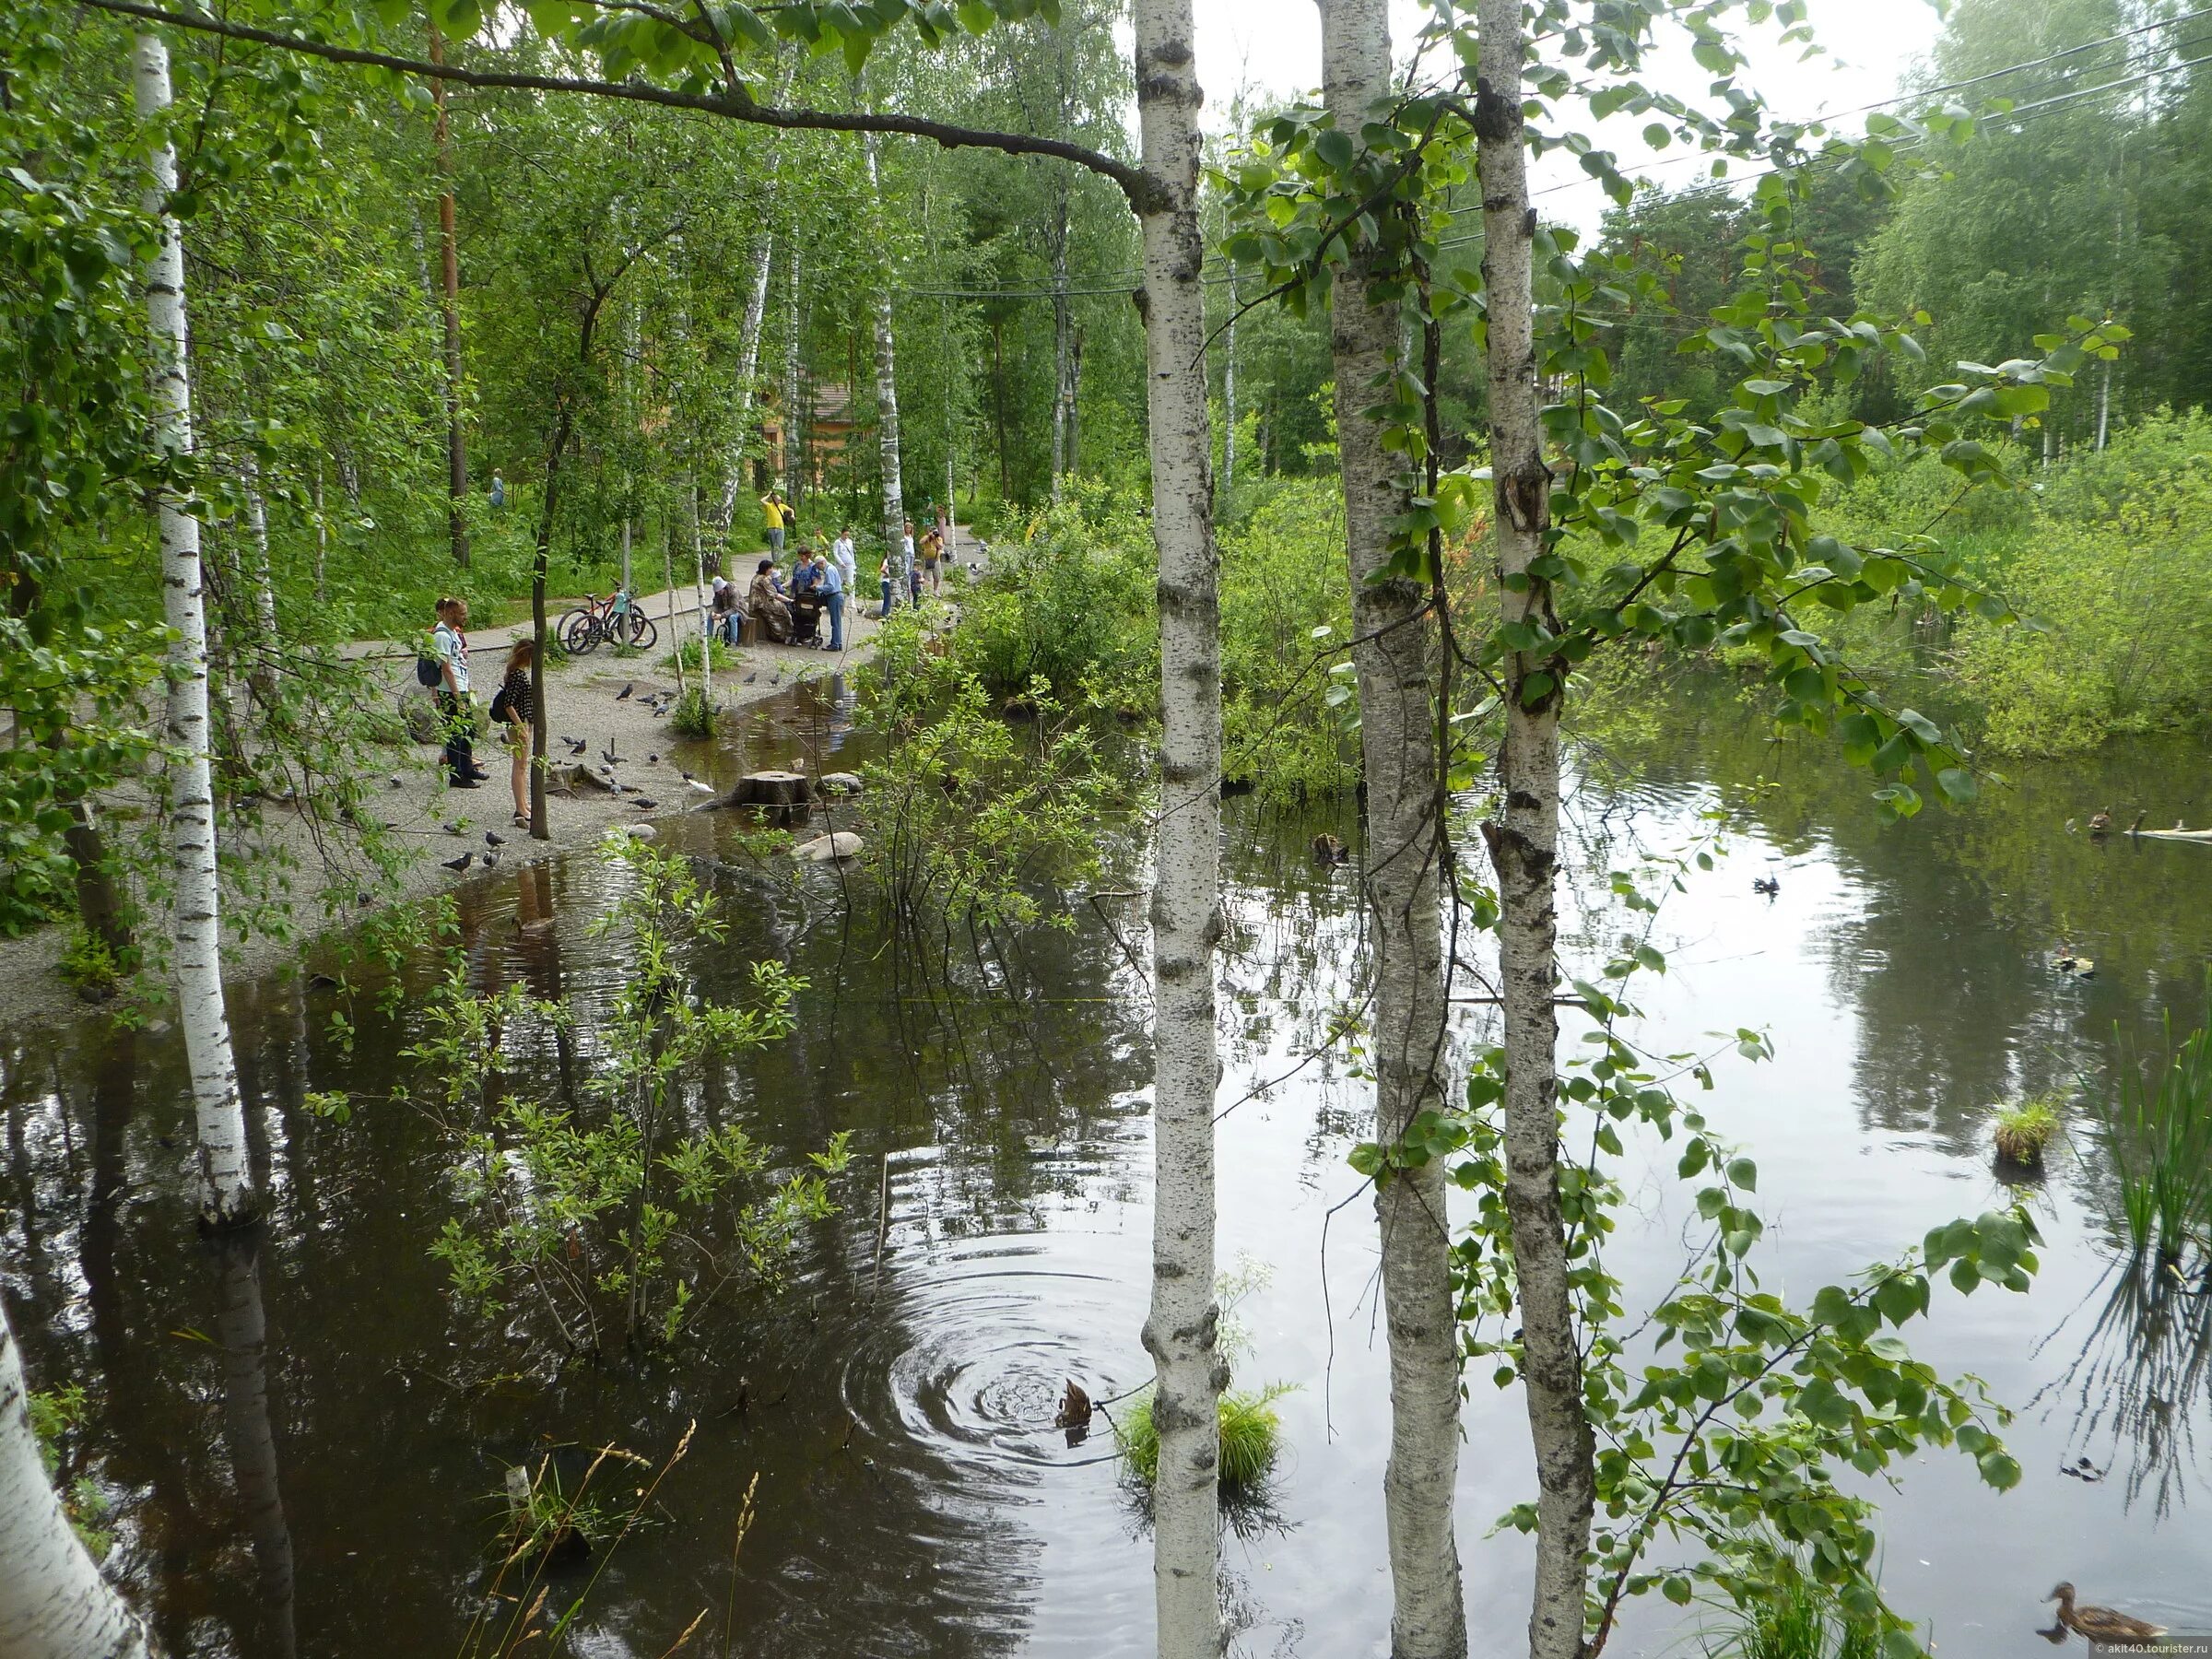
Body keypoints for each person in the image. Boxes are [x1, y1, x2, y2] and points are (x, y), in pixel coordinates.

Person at [431, 597, 487, 789]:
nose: (466, 617)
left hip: (461, 687)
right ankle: (457, 776)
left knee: (468, 729)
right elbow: (446, 668)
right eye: (462, 614)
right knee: (455, 734)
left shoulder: (453, 633)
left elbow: (459, 661)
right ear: (450, 613)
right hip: (451, 692)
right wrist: (457, 696)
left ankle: (467, 766)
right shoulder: (442, 636)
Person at [494, 637, 535, 827]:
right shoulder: (517, 675)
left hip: (523, 721)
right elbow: (508, 703)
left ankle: (524, 803)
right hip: (518, 723)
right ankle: (520, 806)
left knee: (522, 765)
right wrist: (521, 726)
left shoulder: (514, 673)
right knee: (519, 766)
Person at [748, 558, 792, 643]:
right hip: (762, 604)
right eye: (771, 568)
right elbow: (775, 594)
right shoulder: (764, 579)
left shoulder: (756, 577)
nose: (772, 570)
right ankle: (784, 634)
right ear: (766, 569)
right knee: (784, 611)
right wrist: (789, 600)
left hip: (755, 603)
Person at [818, 545, 845, 651]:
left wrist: (818, 588)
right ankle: (838, 643)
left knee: (835, 622)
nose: (818, 569)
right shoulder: (831, 568)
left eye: (818, 566)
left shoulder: (829, 570)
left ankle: (835, 644)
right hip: (836, 596)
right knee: (837, 621)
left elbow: (830, 586)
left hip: (834, 596)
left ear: (822, 563)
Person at [711, 575, 739, 644]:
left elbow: (735, 608)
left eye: (719, 591)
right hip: (725, 608)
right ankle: (708, 636)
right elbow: (715, 603)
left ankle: (733, 641)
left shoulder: (734, 591)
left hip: (738, 610)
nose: (718, 593)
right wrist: (713, 611)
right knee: (710, 616)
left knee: (732, 618)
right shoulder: (718, 593)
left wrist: (721, 615)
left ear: (724, 587)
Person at [832, 526, 857, 602]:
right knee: (839, 581)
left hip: (849, 564)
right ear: (841, 534)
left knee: (851, 582)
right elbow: (835, 553)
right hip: (840, 565)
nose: (846, 537)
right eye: (845, 535)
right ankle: (838, 598)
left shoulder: (850, 541)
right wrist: (841, 562)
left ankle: (852, 601)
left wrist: (853, 564)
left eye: (847, 535)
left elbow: (852, 553)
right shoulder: (837, 542)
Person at [760, 488, 785, 555]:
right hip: (771, 528)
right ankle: (775, 561)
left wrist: (792, 515)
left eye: (780, 500)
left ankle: (779, 561)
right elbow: (762, 500)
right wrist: (769, 495)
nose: (779, 502)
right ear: (774, 499)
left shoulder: (782, 506)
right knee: (773, 546)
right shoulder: (769, 506)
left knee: (780, 546)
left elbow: (791, 510)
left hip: (780, 528)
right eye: (778, 500)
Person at [900, 519, 920, 606]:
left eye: (910, 528)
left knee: (911, 570)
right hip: (907, 554)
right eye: (907, 528)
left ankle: (910, 582)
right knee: (907, 569)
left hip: (912, 554)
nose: (908, 529)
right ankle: (907, 584)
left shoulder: (910, 537)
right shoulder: (904, 537)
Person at [921, 526, 944, 594]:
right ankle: (924, 591)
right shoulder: (927, 537)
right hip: (928, 560)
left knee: (937, 577)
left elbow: (940, 546)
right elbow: (921, 542)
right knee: (926, 577)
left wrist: (935, 539)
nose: (935, 533)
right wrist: (929, 535)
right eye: (934, 532)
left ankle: (935, 591)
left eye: (936, 532)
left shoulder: (939, 538)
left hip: (936, 560)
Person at [878, 552, 894, 619]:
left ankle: (885, 617)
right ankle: (884, 618)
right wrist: (888, 574)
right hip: (886, 582)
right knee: (887, 602)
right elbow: (882, 569)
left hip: (885, 582)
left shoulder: (888, 560)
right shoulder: (887, 560)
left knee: (887, 602)